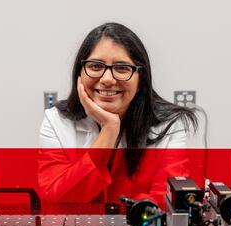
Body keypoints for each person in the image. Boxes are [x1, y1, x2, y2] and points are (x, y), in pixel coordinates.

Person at [38, 22, 198, 208]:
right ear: (79, 73)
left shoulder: (170, 124)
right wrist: (109, 130)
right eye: (96, 66)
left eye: (122, 68)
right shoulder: (56, 121)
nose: (107, 79)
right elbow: (57, 200)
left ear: (141, 78)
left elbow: (168, 202)